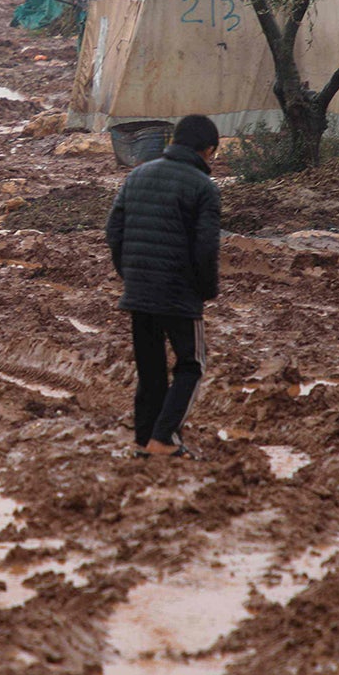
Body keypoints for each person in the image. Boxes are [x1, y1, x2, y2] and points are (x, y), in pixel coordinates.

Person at [106, 114, 223, 457]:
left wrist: (130, 274)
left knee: (151, 370)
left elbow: (114, 232)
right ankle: (163, 438)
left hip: (139, 291)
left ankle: (144, 439)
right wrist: (205, 291)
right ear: (208, 150)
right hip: (179, 294)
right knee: (191, 365)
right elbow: (206, 248)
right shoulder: (204, 188)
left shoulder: (137, 175)